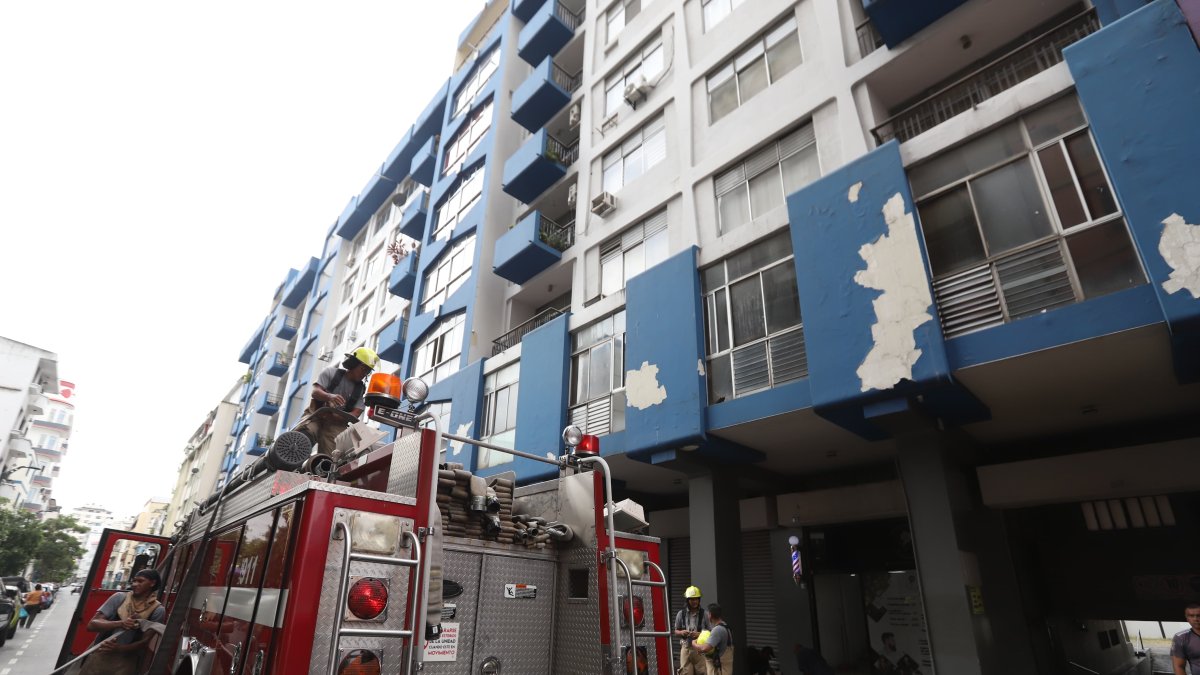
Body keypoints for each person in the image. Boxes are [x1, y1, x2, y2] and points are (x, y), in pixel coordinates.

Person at [80, 569, 166, 675]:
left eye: (140, 581)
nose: (134, 584)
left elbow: (144, 642)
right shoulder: (119, 598)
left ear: (152, 583)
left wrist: (119, 649)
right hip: (100, 655)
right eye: (134, 581)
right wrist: (120, 623)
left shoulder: (158, 610)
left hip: (126, 662)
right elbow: (92, 625)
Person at [302, 347, 379, 458]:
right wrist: (329, 397)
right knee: (305, 434)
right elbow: (315, 392)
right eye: (363, 368)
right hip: (315, 415)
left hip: (336, 424)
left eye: (367, 371)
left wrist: (336, 416)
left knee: (333, 456)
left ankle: (322, 469)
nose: (365, 373)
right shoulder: (330, 372)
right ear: (352, 364)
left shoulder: (360, 390)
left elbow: (355, 414)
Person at [674, 585, 711, 675]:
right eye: (692, 599)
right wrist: (682, 632)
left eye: (696, 599)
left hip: (699, 649)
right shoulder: (681, 614)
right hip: (685, 648)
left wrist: (699, 634)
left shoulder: (705, 614)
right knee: (685, 673)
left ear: (699, 600)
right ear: (687, 600)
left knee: (702, 672)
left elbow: (711, 632)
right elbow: (675, 631)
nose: (694, 601)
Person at [692, 603, 733, 675]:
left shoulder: (717, 630)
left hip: (719, 670)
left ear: (710, 615)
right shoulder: (725, 626)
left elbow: (704, 648)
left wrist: (694, 643)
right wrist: (700, 635)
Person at [1172, 602, 1200, 675]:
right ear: (1187, 617)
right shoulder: (1181, 638)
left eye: (1199, 615)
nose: (1195, 619)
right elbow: (1178, 666)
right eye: (1191, 616)